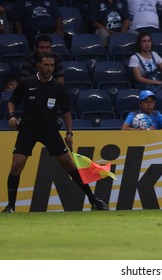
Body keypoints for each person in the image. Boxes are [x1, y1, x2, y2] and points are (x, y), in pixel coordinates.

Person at [2, 53, 109, 213]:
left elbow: (66, 111)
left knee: (69, 165)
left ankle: (93, 200)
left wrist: (69, 133)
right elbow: (12, 101)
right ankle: (11, 206)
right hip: (28, 129)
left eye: (52, 65)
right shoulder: (27, 83)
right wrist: (11, 116)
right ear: (38, 65)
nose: (49, 68)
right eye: (46, 65)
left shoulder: (58, 87)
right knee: (17, 164)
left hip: (49, 130)